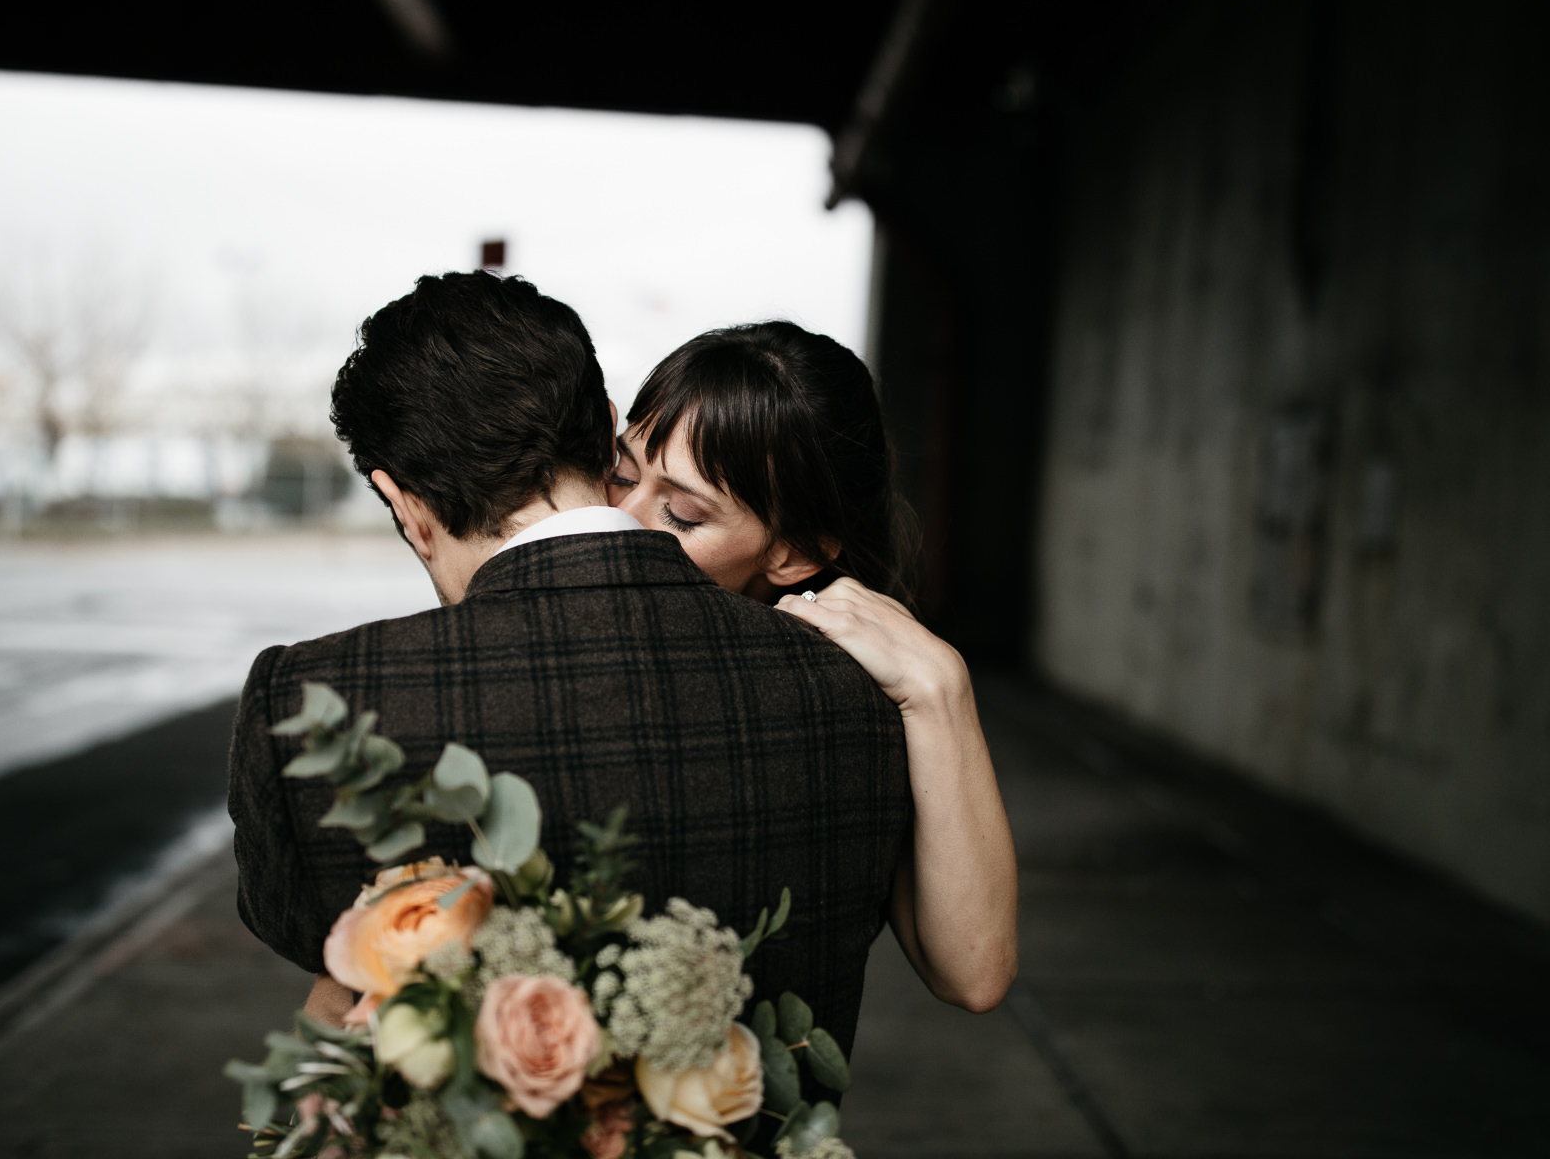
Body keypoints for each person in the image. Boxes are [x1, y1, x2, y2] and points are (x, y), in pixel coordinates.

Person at [227, 273, 911, 1057]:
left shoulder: (309, 700)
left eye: (687, 510)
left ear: (405, 503)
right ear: (610, 429)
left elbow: (320, 955)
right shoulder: (858, 693)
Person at [607, 321, 1017, 1013]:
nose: (620, 518)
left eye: (680, 514)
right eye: (617, 474)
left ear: (793, 554)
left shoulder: (836, 710)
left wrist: (942, 689)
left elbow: (973, 973)